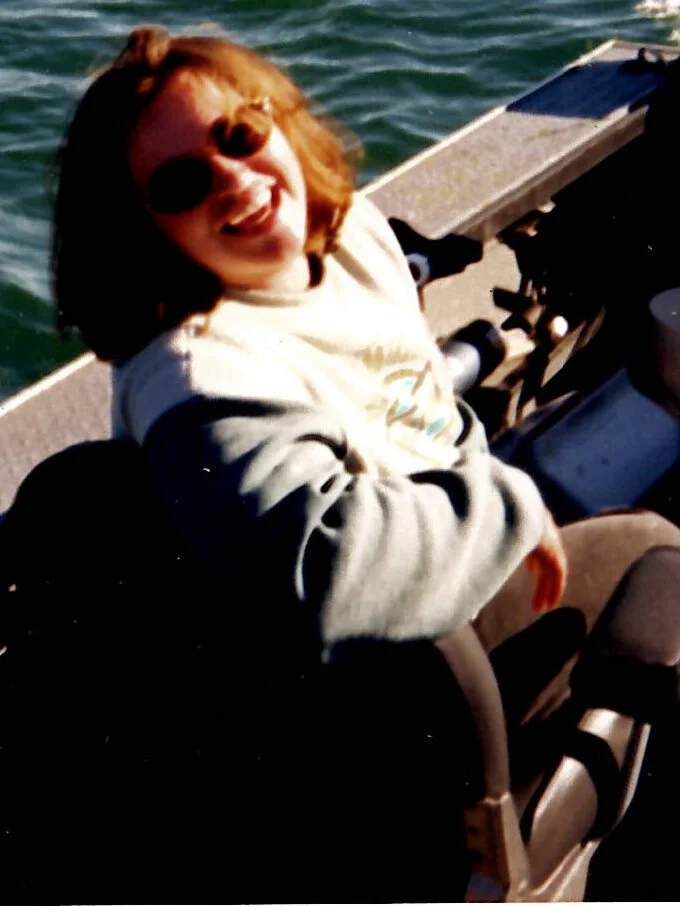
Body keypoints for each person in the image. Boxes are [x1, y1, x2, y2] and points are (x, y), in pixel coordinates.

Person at [46, 23, 680, 900]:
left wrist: (482, 485)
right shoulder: (200, 382)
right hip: (385, 698)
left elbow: (423, 408)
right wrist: (506, 507)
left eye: (239, 134)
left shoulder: (345, 238)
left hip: (451, 575)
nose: (234, 177)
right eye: (184, 182)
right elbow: (326, 569)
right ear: (143, 236)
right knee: (663, 553)